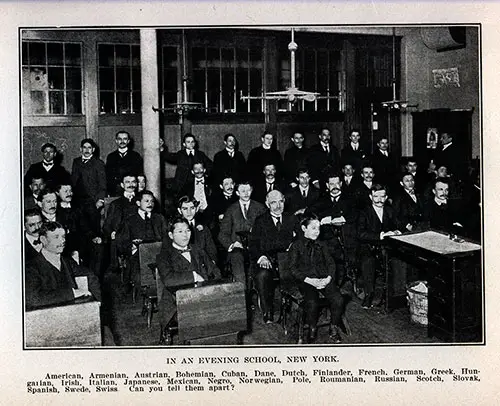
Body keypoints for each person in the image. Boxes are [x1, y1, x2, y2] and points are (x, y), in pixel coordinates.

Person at [156, 216, 222, 337]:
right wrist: (194, 276)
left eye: (187, 230)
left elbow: (215, 271)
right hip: (176, 304)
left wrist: (215, 289)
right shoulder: (163, 256)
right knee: (200, 315)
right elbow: (168, 280)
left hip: (204, 297)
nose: (185, 235)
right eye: (180, 232)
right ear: (171, 235)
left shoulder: (198, 249)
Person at [288, 214, 344, 343]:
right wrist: (309, 280)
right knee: (312, 302)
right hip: (306, 280)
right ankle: (312, 327)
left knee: (338, 299)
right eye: (313, 228)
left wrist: (328, 278)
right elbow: (293, 268)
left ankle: (333, 326)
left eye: (318, 228)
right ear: (304, 228)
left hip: (323, 278)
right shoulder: (296, 246)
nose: (317, 232)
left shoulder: (322, 244)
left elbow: (331, 263)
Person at [25, 221, 101, 310]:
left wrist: (97, 302)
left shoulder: (68, 262)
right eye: (56, 237)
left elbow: (90, 277)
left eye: (63, 237)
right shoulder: (31, 267)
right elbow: (33, 298)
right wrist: (72, 293)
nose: (63, 241)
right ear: (43, 240)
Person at [248, 190, 298, 323]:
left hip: (288, 259)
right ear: (267, 204)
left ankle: (294, 307)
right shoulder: (260, 221)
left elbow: (300, 240)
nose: (278, 206)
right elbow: (253, 244)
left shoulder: (291, 218)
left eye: (280, 201)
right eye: (273, 202)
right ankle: (267, 310)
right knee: (263, 275)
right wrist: (261, 257)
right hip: (268, 260)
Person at [357, 184, 401, 309]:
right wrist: (381, 235)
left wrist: (398, 231)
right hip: (368, 246)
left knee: (399, 260)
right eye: (376, 196)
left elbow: (399, 224)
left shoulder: (390, 210)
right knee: (368, 261)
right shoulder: (364, 212)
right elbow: (360, 233)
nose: (379, 199)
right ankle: (369, 294)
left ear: (386, 197)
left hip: (386, 247)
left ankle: (394, 294)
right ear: (371, 196)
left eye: (382, 196)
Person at [309, 173, 358, 286]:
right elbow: (311, 212)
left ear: (341, 184)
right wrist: (328, 218)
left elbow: (355, 213)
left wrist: (337, 218)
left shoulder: (350, 198)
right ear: (327, 185)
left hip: (347, 237)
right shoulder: (322, 199)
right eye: (331, 184)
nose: (335, 186)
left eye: (337, 183)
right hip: (328, 238)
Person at [116, 190, 167, 288]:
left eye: (152, 201)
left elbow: (166, 238)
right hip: (137, 257)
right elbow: (121, 243)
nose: (150, 204)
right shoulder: (129, 221)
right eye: (146, 201)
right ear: (138, 203)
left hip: (159, 254)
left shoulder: (159, 218)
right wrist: (133, 246)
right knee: (140, 278)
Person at [218, 181, 266, 284]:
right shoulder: (231, 210)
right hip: (238, 248)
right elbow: (222, 234)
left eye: (248, 190)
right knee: (236, 256)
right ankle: (241, 291)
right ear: (237, 193)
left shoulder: (260, 208)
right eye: (242, 191)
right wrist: (232, 244)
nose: (246, 193)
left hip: (257, 248)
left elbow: (266, 230)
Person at [175, 195, 217, 263]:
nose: (189, 212)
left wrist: (211, 262)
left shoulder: (204, 228)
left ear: (197, 209)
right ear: (179, 210)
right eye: (185, 209)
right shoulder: (175, 228)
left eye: (192, 208)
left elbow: (212, 250)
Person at [105, 131, 143, 196]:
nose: (122, 141)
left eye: (125, 139)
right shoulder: (111, 157)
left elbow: (139, 174)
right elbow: (108, 176)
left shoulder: (135, 156)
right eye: (119, 139)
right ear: (116, 141)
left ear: (128, 141)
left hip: (131, 189)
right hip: (116, 190)